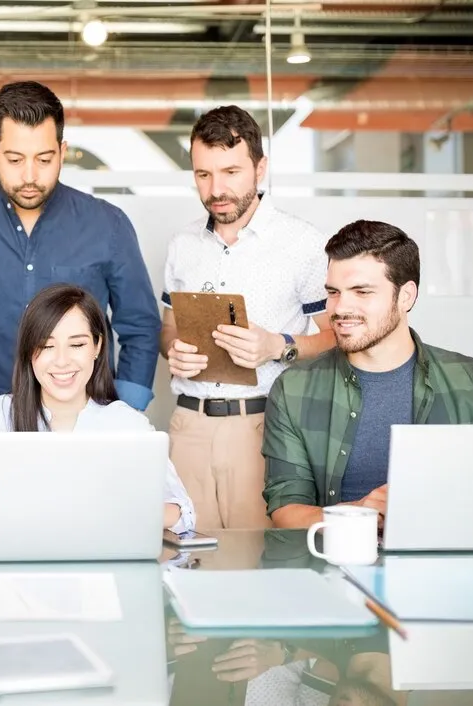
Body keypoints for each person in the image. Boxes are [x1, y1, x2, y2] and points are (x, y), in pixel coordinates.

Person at [0, 80, 161, 466]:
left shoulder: (107, 224)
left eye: (44, 159)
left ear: (62, 151)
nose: (30, 175)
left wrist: (120, 419)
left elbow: (141, 327)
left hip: (85, 436)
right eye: (14, 159)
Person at [262, 220, 473, 529]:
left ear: (405, 296)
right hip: (335, 566)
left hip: (448, 566)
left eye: (362, 291)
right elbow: (286, 509)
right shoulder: (294, 389)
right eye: (333, 292)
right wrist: (361, 514)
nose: (340, 308)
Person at [159, 105, 335, 531]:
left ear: (260, 168)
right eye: (203, 174)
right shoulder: (183, 243)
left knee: (259, 565)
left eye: (231, 172)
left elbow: (339, 338)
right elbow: (167, 326)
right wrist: (172, 351)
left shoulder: (303, 243)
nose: (216, 188)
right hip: (187, 426)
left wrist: (280, 346)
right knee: (184, 561)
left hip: (263, 427)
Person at [0, 284, 194, 534]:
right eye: (46, 346)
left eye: (77, 344)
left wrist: (100, 513)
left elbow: (181, 512)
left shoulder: (127, 424)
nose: (62, 361)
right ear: (29, 352)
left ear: (97, 347)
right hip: (13, 577)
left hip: (103, 575)